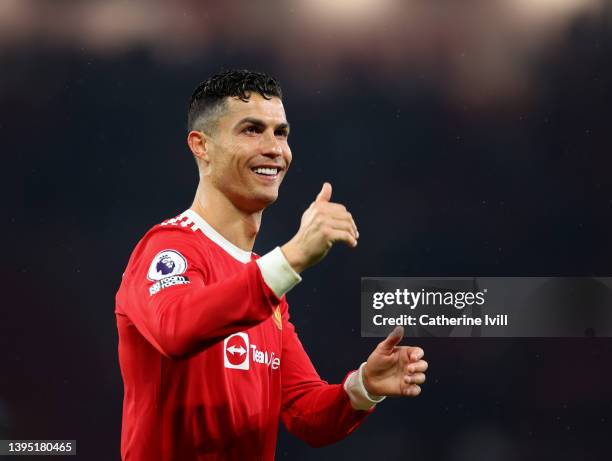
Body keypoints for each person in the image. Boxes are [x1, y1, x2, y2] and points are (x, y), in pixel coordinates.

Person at [115, 69, 428, 461]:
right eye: (251, 130)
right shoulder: (167, 249)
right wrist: (293, 255)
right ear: (201, 146)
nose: (274, 148)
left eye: (281, 133)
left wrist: (363, 387)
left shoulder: (268, 292)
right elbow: (176, 329)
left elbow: (305, 412)